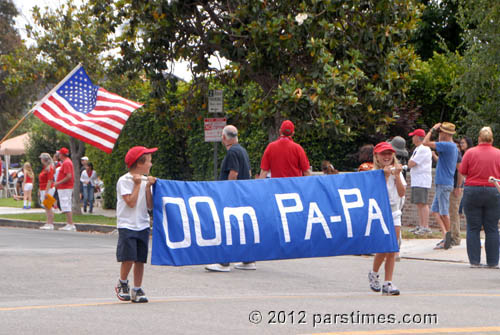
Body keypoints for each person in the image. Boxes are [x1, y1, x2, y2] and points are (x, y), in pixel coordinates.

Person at [206, 125, 254, 272]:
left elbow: (233, 173)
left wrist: (226, 193)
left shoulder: (232, 152)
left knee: (226, 227)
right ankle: (248, 260)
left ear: (224, 138)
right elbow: (250, 172)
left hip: (232, 196)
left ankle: (223, 262)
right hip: (244, 195)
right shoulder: (242, 150)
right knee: (241, 228)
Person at [115, 146, 157, 303]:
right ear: (140, 163)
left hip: (142, 224)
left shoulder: (145, 180)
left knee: (140, 259)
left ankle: (137, 288)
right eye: (149, 161)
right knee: (129, 258)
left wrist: (147, 187)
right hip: (127, 224)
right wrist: (138, 185)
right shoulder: (124, 180)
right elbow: (130, 203)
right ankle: (123, 282)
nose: (151, 164)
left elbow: (150, 205)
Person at [368, 142, 406, 296]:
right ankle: (374, 273)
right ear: (376, 156)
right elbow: (375, 193)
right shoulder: (374, 173)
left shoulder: (397, 171)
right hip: (380, 212)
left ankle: (388, 282)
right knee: (383, 248)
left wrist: (396, 175)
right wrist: (384, 176)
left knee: (392, 248)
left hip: (394, 212)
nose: (387, 157)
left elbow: (402, 193)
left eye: (389, 154)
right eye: (383, 154)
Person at [459, 127, 500, 268]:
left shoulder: (470, 153)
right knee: (492, 228)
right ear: (492, 139)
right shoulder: (498, 153)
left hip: (472, 190)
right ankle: (493, 262)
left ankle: (475, 261)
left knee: (473, 228)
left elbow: (463, 171)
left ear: (478, 139)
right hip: (493, 190)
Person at [423, 122, 460, 250]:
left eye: (440, 132)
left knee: (444, 213)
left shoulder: (446, 145)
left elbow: (425, 143)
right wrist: (435, 156)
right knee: (435, 211)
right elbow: (444, 163)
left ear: (444, 133)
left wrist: (432, 129)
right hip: (443, 183)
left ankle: (449, 239)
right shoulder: (453, 147)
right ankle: (445, 236)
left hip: (444, 184)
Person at [407, 129, 432, 235]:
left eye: (413, 136)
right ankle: (421, 225)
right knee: (419, 203)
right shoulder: (418, 149)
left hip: (422, 180)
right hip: (417, 180)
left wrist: (410, 163)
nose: (412, 138)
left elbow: (412, 163)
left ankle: (425, 226)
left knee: (423, 203)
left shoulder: (424, 149)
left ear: (417, 137)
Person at [54, 147, 76, 231]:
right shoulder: (66, 162)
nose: (58, 155)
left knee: (66, 204)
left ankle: (70, 224)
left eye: (59, 153)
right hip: (64, 187)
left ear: (62, 154)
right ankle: (69, 223)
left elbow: (69, 176)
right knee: (65, 205)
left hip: (65, 187)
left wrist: (58, 183)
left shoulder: (66, 163)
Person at [39, 153, 56, 230]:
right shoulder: (46, 168)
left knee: (48, 206)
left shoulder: (50, 168)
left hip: (48, 189)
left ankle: (50, 223)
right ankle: (48, 222)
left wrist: (46, 191)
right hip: (43, 188)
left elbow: (50, 180)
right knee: (46, 206)